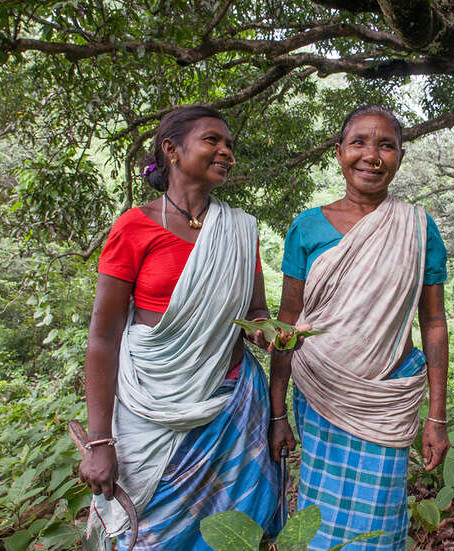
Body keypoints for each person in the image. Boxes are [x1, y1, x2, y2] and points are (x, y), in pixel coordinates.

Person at [78, 106, 281, 550]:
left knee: (236, 532)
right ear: (172, 149)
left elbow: (257, 312)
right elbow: (103, 336)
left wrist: (267, 331)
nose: (226, 151)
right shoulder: (134, 227)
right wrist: (99, 441)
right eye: (213, 140)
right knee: (152, 534)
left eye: (230, 144)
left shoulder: (240, 230)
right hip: (150, 405)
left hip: (230, 405)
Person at [269, 105, 451, 550]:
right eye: (359, 143)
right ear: (339, 153)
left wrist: (437, 417)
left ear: (400, 158)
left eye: (386, 145)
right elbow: (286, 323)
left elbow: (433, 323)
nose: (372, 155)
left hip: (384, 397)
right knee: (318, 517)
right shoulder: (307, 227)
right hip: (320, 392)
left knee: (378, 521)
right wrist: (277, 413)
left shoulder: (417, 228)